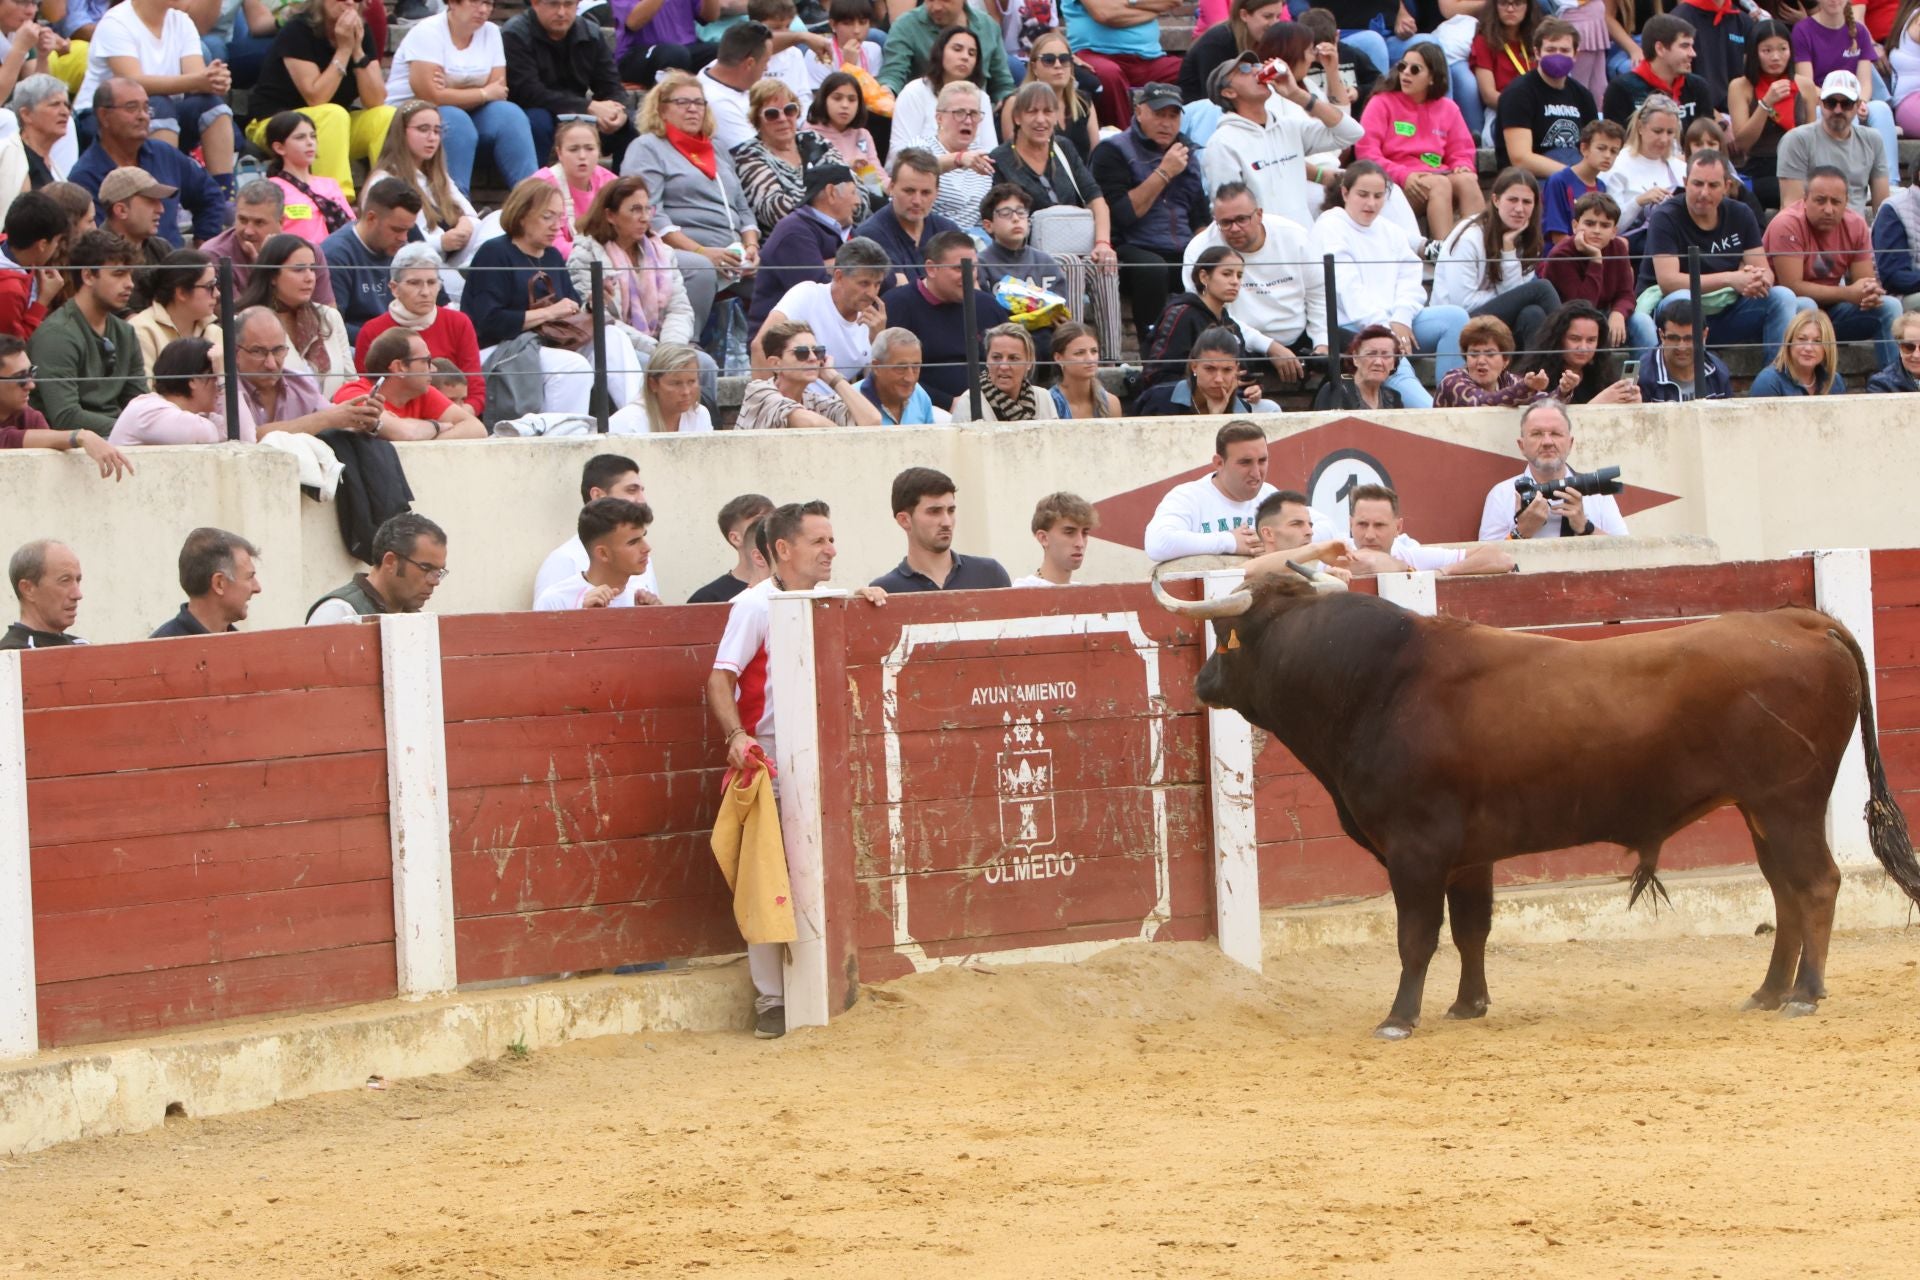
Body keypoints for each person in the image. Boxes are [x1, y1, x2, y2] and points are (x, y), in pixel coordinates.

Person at [706, 498, 888, 1040]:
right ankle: (771, 999)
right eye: (818, 541)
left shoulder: (833, 599)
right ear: (782, 550)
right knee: (769, 881)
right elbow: (720, 679)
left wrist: (865, 597)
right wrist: (736, 736)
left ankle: (828, 984)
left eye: (832, 540)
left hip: (830, 763)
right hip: (774, 764)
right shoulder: (753, 606)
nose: (831, 550)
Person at [468, 175, 644, 416]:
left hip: (549, 343)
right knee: (573, 367)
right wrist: (547, 312)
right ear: (521, 215)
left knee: (612, 336)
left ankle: (636, 421)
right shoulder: (495, 253)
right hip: (503, 349)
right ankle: (562, 438)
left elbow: (568, 308)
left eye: (559, 218)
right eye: (546, 216)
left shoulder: (551, 256)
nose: (556, 226)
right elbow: (487, 322)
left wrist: (591, 304)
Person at [1312, 162, 1468, 410]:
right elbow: (1348, 291)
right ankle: (1437, 415)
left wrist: (1401, 318)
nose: (1371, 204)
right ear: (1345, 193)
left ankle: (1452, 395)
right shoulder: (1330, 225)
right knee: (1392, 357)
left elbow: (1410, 277)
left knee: (1455, 318)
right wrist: (1389, 332)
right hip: (1352, 324)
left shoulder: (1389, 230)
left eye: (1378, 196)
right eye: (1363, 195)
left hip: (1395, 321)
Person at [622, 71, 761, 337]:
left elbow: (743, 209)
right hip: (680, 252)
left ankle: (768, 354)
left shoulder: (717, 148)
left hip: (734, 253)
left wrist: (752, 246)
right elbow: (651, 213)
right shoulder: (647, 147)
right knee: (701, 269)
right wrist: (701, 251)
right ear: (661, 109)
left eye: (699, 103)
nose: (693, 109)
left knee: (782, 272)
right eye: (682, 102)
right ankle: (684, 347)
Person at [1639, 150, 1812, 364]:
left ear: (1726, 187)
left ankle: (1777, 377)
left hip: (1729, 308)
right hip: (1678, 313)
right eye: (1697, 184)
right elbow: (1669, 283)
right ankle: (1693, 382)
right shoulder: (1665, 216)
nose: (1704, 193)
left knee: (1785, 297)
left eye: (1713, 186)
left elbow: (1764, 269)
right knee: (1680, 300)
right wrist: (1732, 278)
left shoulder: (1741, 213)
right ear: (1685, 182)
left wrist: (1758, 279)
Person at [567, 174, 718, 406]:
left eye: (648, 209)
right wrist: (656, 351)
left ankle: (698, 430)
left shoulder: (662, 252)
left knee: (704, 363)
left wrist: (670, 349)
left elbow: (679, 309)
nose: (645, 218)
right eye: (635, 210)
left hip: (661, 345)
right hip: (615, 348)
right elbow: (602, 321)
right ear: (610, 215)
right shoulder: (585, 255)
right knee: (644, 365)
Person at [1201, 37, 1363, 234]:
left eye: (1256, 65)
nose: (1256, 71)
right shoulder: (1222, 143)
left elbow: (1351, 133)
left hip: (1303, 242)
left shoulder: (1288, 127)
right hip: (1263, 251)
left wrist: (1296, 94)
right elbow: (1226, 208)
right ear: (1228, 92)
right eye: (1244, 70)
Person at [1092, 82, 1207, 349]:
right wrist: (1164, 172)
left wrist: (1207, 252)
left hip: (1180, 247)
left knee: (1216, 265)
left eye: (1173, 115)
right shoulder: (1113, 151)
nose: (1166, 123)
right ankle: (1152, 351)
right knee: (1152, 269)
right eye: (1158, 114)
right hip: (1131, 247)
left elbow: (1200, 216)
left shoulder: (1186, 153)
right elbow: (1124, 215)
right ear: (1139, 112)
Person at [244, 0, 393, 204]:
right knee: (333, 113)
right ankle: (336, 202)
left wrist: (357, 50)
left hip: (332, 128)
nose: (349, 2)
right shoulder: (298, 30)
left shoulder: (360, 31)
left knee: (386, 116)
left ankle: (389, 198)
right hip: (275, 124)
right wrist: (343, 50)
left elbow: (376, 100)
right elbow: (316, 97)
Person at [73, 0, 235, 185]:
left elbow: (196, 78)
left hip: (160, 112)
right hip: (103, 115)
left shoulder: (182, 21)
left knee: (211, 103)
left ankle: (224, 192)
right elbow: (132, 82)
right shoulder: (115, 21)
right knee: (156, 104)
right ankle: (166, 195)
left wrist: (214, 80)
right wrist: (200, 79)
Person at [385, 0, 537, 194]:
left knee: (510, 114)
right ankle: (455, 210)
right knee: (455, 120)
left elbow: (498, 90)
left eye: (488, 4)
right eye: (475, 2)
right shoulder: (427, 32)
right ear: (453, 3)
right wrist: (482, 92)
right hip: (413, 117)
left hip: (470, 113)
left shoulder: (491, 32)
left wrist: (450, 85)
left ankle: (531, 198)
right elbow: (429, 96)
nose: (483, 10)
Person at [1764, 165, 1900, 369]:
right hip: (1787, 314)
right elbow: (1792, 286)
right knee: (1806, 305)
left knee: (1889, 307)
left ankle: (1896, 381)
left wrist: (1869, 292)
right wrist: (1847, 293)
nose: (1828, 209)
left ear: (1846, 201)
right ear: (1805, 198)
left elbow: (1864, 282)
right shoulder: (1787, 223)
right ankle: (1784, 379)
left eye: (1836, 202)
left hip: (1833, 312)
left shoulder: (1856, 224)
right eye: (1820, 200)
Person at [1143, 419, 1336, 561]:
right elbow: (1158, 543)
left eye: (1262, 461)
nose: (1256, 472)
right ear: (1219, 463)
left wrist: (1275, 542)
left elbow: (1328, 528)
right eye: (1245, 462)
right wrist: (1231, 542)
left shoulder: (1270, 495)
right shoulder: (1188, 496)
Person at [69, 77, 228, 245]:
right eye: (132, 108)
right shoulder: (85, 176)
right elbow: (96, 242)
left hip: (177, 265)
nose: (143, 116)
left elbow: (210, 195)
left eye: (146, 108)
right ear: (103, 115)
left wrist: (204, 243)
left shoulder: (164, 154)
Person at [1359, 41, 1480, 240]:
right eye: (1402, 66)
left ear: (1432, 78)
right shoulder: (1381, 102)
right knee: (1440, 184)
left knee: (1467, 180)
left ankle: (1481, 254)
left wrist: (1463, 165)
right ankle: (1443, 258)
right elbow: (1367, 154)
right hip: (1395, 184)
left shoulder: (1448, 108)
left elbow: (1462, 151)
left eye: (1415, 69)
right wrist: (1403, 175)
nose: (1406, 73)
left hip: (1437, 174)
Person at [1431, 167, 1560, 353]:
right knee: (1541, 289)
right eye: (1512, 200)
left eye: (1527, 202)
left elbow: (1515, 295)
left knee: (1533, 314)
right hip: (1457, 322)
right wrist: (1510, 297)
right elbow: (1462, 303)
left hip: (1495, 318)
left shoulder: (1528, 240)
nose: (1519, 209)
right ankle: (1568, 353)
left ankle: (1532, 378)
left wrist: (1509, 249)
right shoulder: (1470, 237)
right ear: (1496, 200)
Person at [878, 229, 1008, 411]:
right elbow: (891, 373)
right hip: (922, 409)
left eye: (974, 267)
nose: (969, 275)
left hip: (990, 405)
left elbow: (1009, 362)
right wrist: (947, 403)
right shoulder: (898, 305)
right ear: (931, 268)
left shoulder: (987, 306)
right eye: (959, 268)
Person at [28, 228, 142, 433]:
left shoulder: (126, 333)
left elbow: (138, 404)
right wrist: (132, 430)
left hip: (122, 441)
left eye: (130, 275)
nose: (130, 284)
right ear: (88, 275)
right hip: (70, 452)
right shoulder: (56, 335)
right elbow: (65, 416)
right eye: (118, 274)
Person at [354, 243, 486, 418]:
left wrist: (461, 418)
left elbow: (475, 390)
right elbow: (367, 389)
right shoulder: (372, 330)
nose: (425, 292)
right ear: (394, 288)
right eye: (414, 283)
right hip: (395, 422)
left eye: (432, 282)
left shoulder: (459, 323)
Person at [368, 101, 481, 293]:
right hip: (418, 270)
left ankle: (473, 268)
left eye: (437, 131)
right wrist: (442, 242)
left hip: (455, 259)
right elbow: (390, 243)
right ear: (401, 133)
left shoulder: (438, 176)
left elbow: (472, 216)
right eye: (423, 129)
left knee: (497, 218)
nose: (432, 138)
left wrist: (465, 223)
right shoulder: (385, 181)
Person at [502, 0, 632, 165]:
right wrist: (588, 107)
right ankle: (535, 186)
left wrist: (618, 111)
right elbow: (528, 92)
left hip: (577, 110)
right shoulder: (515, 34)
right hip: (536, 108)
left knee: (627, 124)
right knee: (537, 121)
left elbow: (611, 85)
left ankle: (623, 188)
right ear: (535, 4)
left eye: (568, 4)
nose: (561, 12)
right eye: (553, 4)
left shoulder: (590, 33)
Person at [1477, 399, 1628, 541]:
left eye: (1555, 433)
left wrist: (1585, 527)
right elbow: (1485, 563)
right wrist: (1521, 532)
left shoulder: (1597, 493)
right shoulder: (1502, 494)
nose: (1547, 442)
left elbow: (1626, 554)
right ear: (1521, 446)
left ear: (1570, 443)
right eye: (1536, 434)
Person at [1144, 245, 1278, 396]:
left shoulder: (1230, 323)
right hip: (1184, 404)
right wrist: (1206, 385)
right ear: (1204, 277)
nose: (1235, 282)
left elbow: (1244, 373)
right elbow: (1156, 376)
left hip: (1231, 402)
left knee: (1269, 407)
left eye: (1239, 276)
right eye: (1227, 274)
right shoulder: (1182, 315)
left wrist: (1255, 389)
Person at [754, 235, 890, 382]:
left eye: (877, 284)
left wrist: (878, 341)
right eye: (864, 283)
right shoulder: (808, 295)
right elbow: (760, 346)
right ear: (839, 276)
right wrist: (769, 400)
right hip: (790, 401)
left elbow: (877, 387)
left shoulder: (872, 322)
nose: (871, 293)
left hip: (837, 402)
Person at [1792, 0, 1900, 183]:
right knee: (1844, 112)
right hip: (1823, 101)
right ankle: (1852, 181)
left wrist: (1861, 102)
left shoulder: (1859, 32)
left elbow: (1865, 82)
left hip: (1854, 99)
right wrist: (1839, 101)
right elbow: (1807, 84)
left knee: (1881, 109)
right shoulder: (1803, 30)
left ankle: (1890, 183)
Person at [533, 454, 662, 605]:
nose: (642, 500)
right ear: (598, 495)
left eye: (641, 490)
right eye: (631, 490)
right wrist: (587, 618)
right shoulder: (564, 561)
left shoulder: (642, 561)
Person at [746, 163, 860, 332]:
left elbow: (884, 276)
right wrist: (852, 268)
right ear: (831, 193)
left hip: (828, 332)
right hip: (784, 344)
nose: (858, 201)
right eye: (853, 193)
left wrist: (833, 266)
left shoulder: (846, 231)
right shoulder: (794, 232)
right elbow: (821, 292)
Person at [232, 306, 382, 434]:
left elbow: (333, 417)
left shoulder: (300, 384)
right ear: (235, 352)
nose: (271, 364)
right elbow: (248, 436)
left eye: (278, 350)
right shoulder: (223, 389)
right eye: (258, 352)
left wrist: (363, 419)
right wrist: (324, 419)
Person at [236, 232, 351, 398]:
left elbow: (350, 383)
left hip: (338, 418)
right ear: (273, 276)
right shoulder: (244, 324)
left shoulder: (329, 317)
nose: (310, 277)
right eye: (299, 269)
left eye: (312, 269)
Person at [1539, 191, 1655, 355]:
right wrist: (1595, 260)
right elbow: (1582, 306)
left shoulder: (1618, 248)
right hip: (1568, 319)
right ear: (1575, 226)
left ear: (1614, 231)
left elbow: (1626, 293)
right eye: (1590, 223)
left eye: (1605, 225)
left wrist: (1618, 313)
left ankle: (1647, 377)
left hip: (1605, 313)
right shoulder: (1561, 255)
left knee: (1642, 322)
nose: (1597, 230)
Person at [0, 335, 132, 475]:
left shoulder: (30, 417)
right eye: (20, 378)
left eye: (31, 373)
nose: (31, 385)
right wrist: (81, 436)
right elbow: (8, 439)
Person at [199, 180, 340, 306]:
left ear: (280, 222)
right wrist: (263, 268)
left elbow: (327, 316)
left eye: (259, 222)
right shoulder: (213, 256)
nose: (248, 231)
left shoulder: (309, 253)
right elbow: (237, 322)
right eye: (242, 220)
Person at [870, 465, 1012, 591]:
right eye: (934, 511)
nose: (947, 522)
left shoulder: (990, 575)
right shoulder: (886, 591)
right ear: (904, 520)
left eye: (951, 510)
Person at [734, 79, 843, 241]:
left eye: (789, 110)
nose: (783, 118)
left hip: (838, 238)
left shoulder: (814, 139)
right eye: (771, 114)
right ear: (756, 119)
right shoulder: (749, 155)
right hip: (790, 246)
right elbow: (776, 212)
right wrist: (834, 199)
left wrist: (812, 201)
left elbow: (857, 196)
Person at [320, 177, 426, 338]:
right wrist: (391, 339)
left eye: (408, 230)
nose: (404, 238)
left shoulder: (404, 247)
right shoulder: (335, 255)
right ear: (371, 218)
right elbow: (333, 326)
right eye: (397, 229)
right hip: (361, 346)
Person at [1055, 0, 1184, 131]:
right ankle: (1122, 142)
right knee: (1108, 75)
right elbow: (1104, 14)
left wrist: (1125, 5)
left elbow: (1173, 1)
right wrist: (1151, 9)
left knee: (1188, 70)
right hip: (1094, 54)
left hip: (1150, 58)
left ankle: (1187, 140)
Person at [335, 327, 484, 439]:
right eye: (426, 361)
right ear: (400, 367)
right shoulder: (354, 394)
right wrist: (438, 426)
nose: (433, 369)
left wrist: (426, 440)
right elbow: (406, 433)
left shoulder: (423, 392)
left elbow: (476, 428)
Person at [1777, 70, 1891, 217]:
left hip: (1856, 232)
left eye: (1846, 103)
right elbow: (1792, 208)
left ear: (1857, 105)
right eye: (1831, 103)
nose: (1838, 110)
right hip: (1812, 231)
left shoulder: (1872, 140)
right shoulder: (1797, 140)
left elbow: (1882, 207)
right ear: (1820, 103)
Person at [1727, 20, 1810, 214]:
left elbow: (1812, 137)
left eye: (1783, 49)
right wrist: (1765, 104)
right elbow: (1742, 143)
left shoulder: (1804, 86)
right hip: (1759, 168)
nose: (1776, 57)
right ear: (1755, 52)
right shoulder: (1740, 86)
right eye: (1767, 51)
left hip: (1797, 165)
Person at [1493, 18, 1594, 177]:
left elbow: (1591, 149)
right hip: (1530, 179)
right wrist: (1572, 175)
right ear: (1537, 53)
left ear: (1576, 54)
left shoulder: (1583, 96)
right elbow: (1520, 158)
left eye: (1565, 50)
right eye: (1551, 50)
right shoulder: (1518, 93)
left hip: (1574, 171)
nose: (1558, 56)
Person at [737, 319, 881, 428]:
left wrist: (833, 377)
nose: (813, 358)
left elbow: (872, 421)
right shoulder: (758, 391)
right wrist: (847, 441)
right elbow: (809, 422)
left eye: (818, 351)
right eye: (801, 353)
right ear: (776, 363)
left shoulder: (815, 402)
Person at [307, 512, 448, 623]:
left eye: (439, 571)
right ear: (390, 562)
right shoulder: (340, 613)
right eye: (426, 568)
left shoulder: (416, 619)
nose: (435, 581)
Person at [1348, 483, 1515, 576]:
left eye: (1379, 525)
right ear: (1350, 524)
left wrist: (1442, 573)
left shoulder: (1412, 555)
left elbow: (1501, 559)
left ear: (1398, 527)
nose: (1369, 535)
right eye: (1362, 524)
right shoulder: (1332, 553)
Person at [888, 23, 996, 165]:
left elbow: (991, 151)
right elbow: (900, 153)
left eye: (972, 53)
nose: (965, 57)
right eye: (957, 49)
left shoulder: (981, 97)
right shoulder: (915, 91)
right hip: (919, 175)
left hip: (971, 179)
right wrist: (953, 161)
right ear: (940, 52)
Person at [107, 335, 246, 443]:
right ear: (193, 380)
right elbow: (224, 437)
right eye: (215, 377)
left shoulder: (199, 417)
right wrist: (225, 380)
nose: (219, 387)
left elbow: (247, 441)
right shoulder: (149, 411)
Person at [853, 149, 958, 291]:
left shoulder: (948, 231)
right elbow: (903, 292)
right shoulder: (870, 234)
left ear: (937, 193)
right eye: (909, 191)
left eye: (926, 192)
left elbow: (972, 285)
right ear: (891, 187)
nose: (917, 201)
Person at [877, 0, 1015, 108]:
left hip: (980, 113)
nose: (936, 7)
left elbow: (1002, 85)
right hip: (926, 112)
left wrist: (1005, 104)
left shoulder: (988, 26)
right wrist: (887, 91)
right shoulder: (906, 25)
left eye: (945, 0)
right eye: (930, 0)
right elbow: (893, 74)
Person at [532, 496, 654, 610]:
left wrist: (658, 621)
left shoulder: (642, 599)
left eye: (643, 537)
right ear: (603, 554)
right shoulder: (555, 602)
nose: (647, 548)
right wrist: (586, 619)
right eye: (633, 542)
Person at [1518, 300, 1643, 405]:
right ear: (1558, 339)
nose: (1583, 347)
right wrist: (1597, 404)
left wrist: (1633, 405)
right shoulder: (1537, 377)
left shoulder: (1603, 374)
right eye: (1575, 339)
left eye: (1591, 340)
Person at [1599, 95, 1685, 247]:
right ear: (1640, 127)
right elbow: (1611, 228)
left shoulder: (1681, 168)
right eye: (1657, 131)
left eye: (1670, 132)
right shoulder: (1616, 165)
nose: (1664, 139)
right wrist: (1639, 201)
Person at [915, 79, 1002, 227]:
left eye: (974, 113)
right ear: (939, 118)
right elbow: (916, 171)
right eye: (959, 113)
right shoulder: (921, 147)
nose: (968, 121)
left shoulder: (982, 157)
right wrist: (959, 159)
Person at [1007, 27, 1101, 163]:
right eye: (1049, 60)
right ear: (1034, 67)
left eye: (1064, 59)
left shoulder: (1083, 102)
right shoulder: (1016, 103)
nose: (1058, 65)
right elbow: (1012, 159)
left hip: (1081, 181)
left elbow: (1094, 157)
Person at [1602, 14, 1713, 126]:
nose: (1693, 54)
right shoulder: (1621, 89)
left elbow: (1706, 138)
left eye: (1692, 46)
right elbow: (1616, 140)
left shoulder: (1698, 87)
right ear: (1660, 49)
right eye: (1685, 46)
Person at [260, 111, 354, 244]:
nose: (310, 142)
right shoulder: (270, 189)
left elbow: (352, 226)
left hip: (337, 259)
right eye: (300, 137)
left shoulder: (330, 184)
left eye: (313, 136)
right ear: (279, 148)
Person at [1136, 324, 1270, 416]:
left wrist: (1216, 418)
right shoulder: (1159, 399)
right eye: (1210, 369)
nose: (1218, 379)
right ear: (1194, 366)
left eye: (1227, 370)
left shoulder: (1242, 411)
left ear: (1236, 369)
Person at [150, 527, 260, 637]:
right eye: (249, 577)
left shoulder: (243, 647)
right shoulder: (159, 651)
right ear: (219, 584)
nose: (257, 588)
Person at [1460, 0, 1540, 141]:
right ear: (1494, 6)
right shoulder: (1484, 40)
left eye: (1517, 3)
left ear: (1528, 7)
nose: (1510, 9)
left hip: (1539, 109)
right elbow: (1488, 94)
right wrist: (1523, 107)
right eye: (1504, 3)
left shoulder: (1537, 40)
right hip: (1501, 110)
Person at [1434, 315, 1553, 408]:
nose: (1481, 361)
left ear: (1505, 360)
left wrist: (1564, 390)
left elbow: (1547, 404)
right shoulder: (1452, 381)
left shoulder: (1509, 380)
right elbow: (1481, 402)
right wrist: (1526, 388)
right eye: (1474, 354)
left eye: (1490, 354)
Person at [95, 164, 173, 305]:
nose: (161, 209)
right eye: (151, 201)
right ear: (121, 210)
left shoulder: (161, 249)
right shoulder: (94, 254)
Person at [1181, 0, 1285, 105]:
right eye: (1267, 16)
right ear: (1244, 15)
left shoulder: (1262, 39)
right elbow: (1213, 96)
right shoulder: (1218, 42)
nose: (1274, 23)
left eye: (1278, 17)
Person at [951, 322, 1058, 422]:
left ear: (1029, 362)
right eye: (996, 357)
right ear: (987, 361)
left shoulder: (1043, 398)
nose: (1004, 366)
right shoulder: (970, 402)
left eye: (1013, 358)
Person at [1541, 118, 1624, 244]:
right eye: (1601, 148)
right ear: (1584, 148)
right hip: (1562, 258)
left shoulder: (1601, 186)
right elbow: (1557, 236)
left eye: (1614, 151)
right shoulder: (1559, 181)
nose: (1608, 155)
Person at [693, 20, 770, 156]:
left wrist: (802, 37)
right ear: (750, 64)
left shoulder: (720, 65)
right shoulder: (719, 104)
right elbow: (756, 157)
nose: (766, 68)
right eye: (765, 62)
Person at [810, 70, 886, 201]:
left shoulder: (863, 134)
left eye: (852, 99)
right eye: (837, 98)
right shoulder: (809, 134)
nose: (845, 105)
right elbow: (814, 176)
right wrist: (847, 167)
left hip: (868, 200)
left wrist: (892, 188)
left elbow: (876, 173)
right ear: (823, 99)